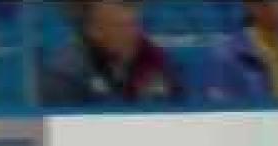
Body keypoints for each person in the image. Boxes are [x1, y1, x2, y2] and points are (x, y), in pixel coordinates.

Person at [43, 0, 184, 106]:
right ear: (94, 30)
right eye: (122, 27)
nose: (134, 34)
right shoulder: (65, 73)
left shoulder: (156, 60)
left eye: (135, 25)